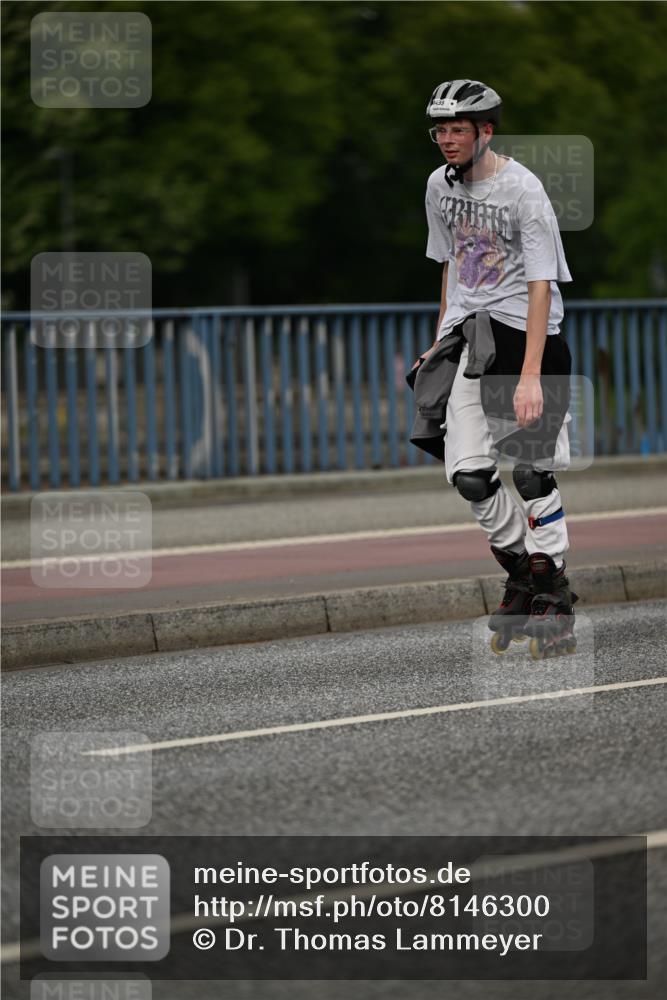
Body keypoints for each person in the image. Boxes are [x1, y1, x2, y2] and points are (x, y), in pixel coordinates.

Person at [408, 79, 577, 657]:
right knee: (471, 477)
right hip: (467, 341)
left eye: (457, 129)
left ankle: (553, 589)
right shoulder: (437, 186)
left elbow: (540, 284)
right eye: (439, 130)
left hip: (527, 339)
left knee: (531, 474)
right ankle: (522, 572)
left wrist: (530, 375)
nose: (446, 140)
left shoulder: (524, 190)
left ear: (486, 131)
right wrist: (437, 343)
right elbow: (450, 267)